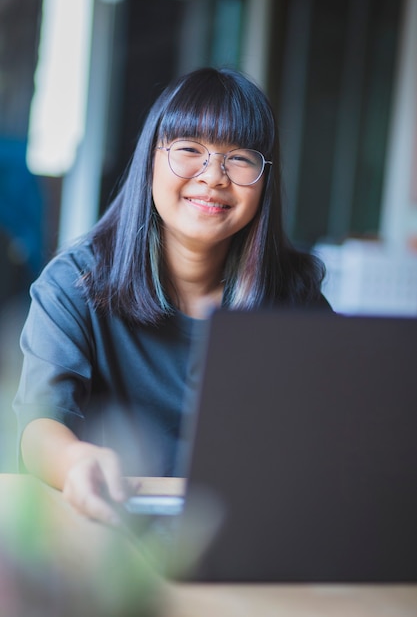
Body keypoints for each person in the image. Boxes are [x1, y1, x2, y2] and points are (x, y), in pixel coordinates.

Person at [13, 67, 330, 525]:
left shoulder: (294, 294)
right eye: (189, 150)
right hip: (107, 532)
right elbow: (39, 428)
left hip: (246, 531)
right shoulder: (75, 283)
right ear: (151, 159)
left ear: (265, 179)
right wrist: (77, 463)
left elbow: (334, 430)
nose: (214, 177)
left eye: (239, 158)